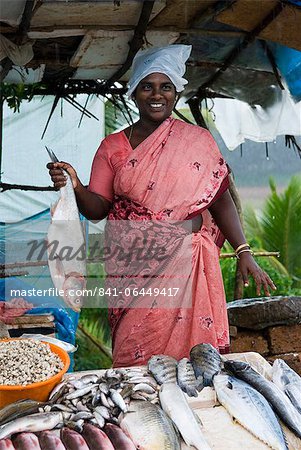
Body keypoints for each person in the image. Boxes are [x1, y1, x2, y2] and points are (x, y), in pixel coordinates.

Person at [47, 44, 276, 367]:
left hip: (189, 264)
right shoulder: (112, 147)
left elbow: (220, 199)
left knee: (194, 367)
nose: (157, 95)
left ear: (175, 93)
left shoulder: (197, 141)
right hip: (133, 268)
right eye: (147, 86)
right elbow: (97, 208)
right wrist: (75, 185)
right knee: (135, 354)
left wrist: (244, 251)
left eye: (165, 87)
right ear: (135, 93)